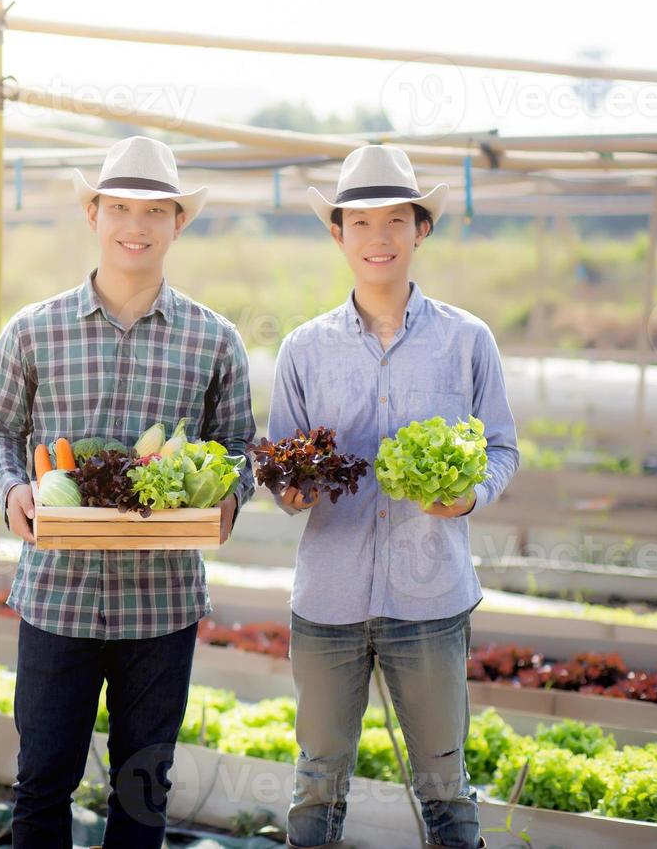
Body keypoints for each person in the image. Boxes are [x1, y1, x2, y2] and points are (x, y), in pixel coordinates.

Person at [0, 134, 256, 848]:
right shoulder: (33, 332)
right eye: (121, 207)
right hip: (57, 594)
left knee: (143, 791)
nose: (137, 225)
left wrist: (228, 498)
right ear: (94, 214)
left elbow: (244, 448)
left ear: (177, 223)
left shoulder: (213, 340)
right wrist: (13, 492)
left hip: (161, 601)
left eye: (155, 211)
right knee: (41, 783)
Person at [268, 144, 519, 849]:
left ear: (421, 230)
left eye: (395, 222)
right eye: (360, 223)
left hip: (430, 600)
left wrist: (469, 497)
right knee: (317, 782)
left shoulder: (467, 341)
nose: (378, 238)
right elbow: (281, 471)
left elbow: (501, 447)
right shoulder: (303, 350)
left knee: (445, 786)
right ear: (338, 234)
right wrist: (288, 492)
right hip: (328, 601)